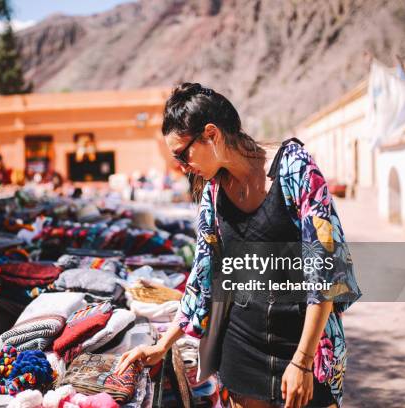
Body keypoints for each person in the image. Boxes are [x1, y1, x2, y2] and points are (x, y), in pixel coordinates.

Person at [115, 83, 361, 408]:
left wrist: (302, 361)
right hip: (242, 352)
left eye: (182, 154)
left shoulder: (295, 170)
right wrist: (163, 344)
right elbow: (202, 279)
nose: (181, 166)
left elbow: (326, 272)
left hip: (307, 346)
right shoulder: (213, 194)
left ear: (212, 135)